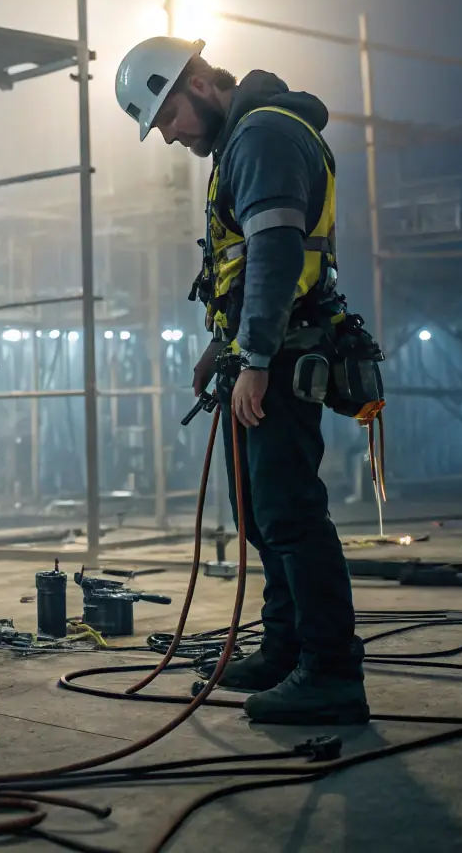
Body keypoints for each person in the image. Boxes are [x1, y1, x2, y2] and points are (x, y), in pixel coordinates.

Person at [113, 36, 370, 726]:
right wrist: (218, 350)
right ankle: (286, 647)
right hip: (259, 352)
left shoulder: (260, 135)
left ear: (197, 84)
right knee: (262, 515)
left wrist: (254, 359)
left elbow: (276, 251)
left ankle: (331, 671)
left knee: (290, 514)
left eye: (166, 117)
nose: (167, 136)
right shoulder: (244, 141)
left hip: (281, 358)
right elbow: (241, 262)